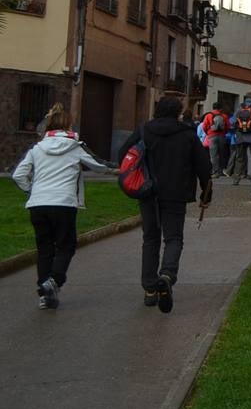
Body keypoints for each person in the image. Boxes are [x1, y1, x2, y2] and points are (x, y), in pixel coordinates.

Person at [12, 104, 113, 309]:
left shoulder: (37, 149)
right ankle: (55, 281)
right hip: (63, 203)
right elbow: (98, 165)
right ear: (68, 126)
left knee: (45, 248)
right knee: (66, 245)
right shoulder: (75, 147)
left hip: (38, 204)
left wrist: (32, 190)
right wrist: (120, 170)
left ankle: (44, 293)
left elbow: (18, 175)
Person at [118, 96, 212, 313]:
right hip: (176, 193)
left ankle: (149, 289)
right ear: (178, 113)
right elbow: (204, 167)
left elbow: (123, 153)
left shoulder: (144, 130)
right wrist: (206, 197)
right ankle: (167, 275)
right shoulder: (187, 134)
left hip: (148, 191)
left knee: (150, 238)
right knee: (173, 238)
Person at [200, 102, 229, 177]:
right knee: (222, 154)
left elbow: (204, 126)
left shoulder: (208, 115)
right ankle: (221, 170)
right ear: (220, 108)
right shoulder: (224, 116)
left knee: (213, 155)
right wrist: (224, 133)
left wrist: (208, 133)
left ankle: (215, 172)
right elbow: (228, 126)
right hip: (222, 136)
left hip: (212, 136)